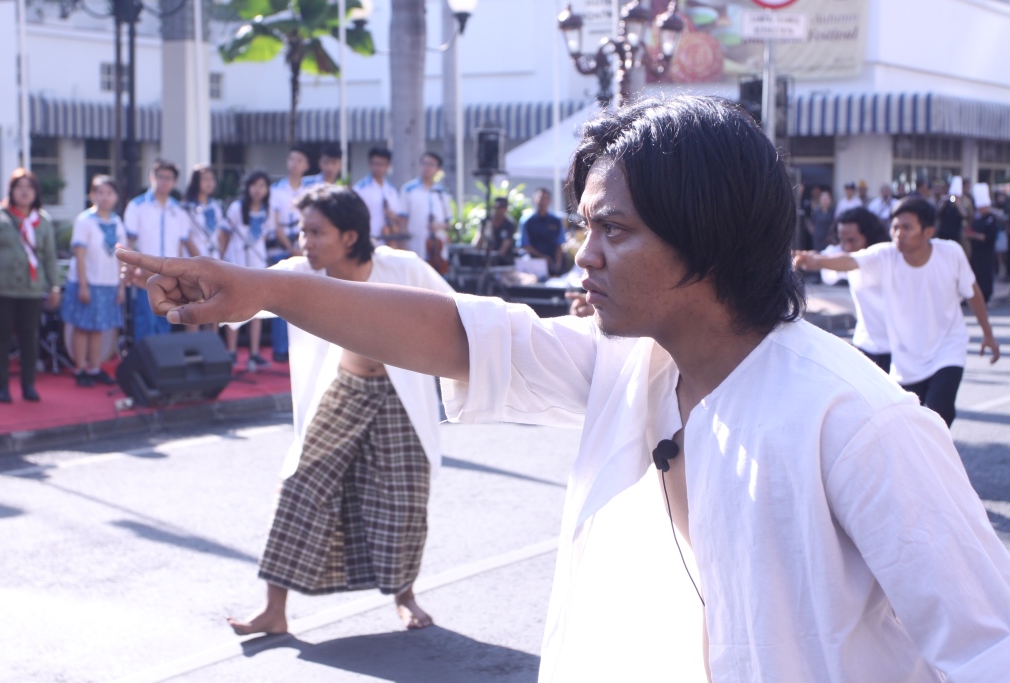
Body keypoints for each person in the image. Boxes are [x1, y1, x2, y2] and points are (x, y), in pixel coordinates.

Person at [120, 96, 1010, 682]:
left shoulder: (857, 424)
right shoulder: (635, 361)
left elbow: (985, 649)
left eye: (611, 229)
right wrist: (264, 290)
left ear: (704, 235)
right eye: (585, 227)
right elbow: (459, 334)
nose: (583, 257)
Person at [222, 184, 454, 635]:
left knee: (405, 500)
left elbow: (460, 311)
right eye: (301, 231)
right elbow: (240, 300)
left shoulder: (401, 268)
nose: (303, 242)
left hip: (399, 395)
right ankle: (274, 611)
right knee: (298, 486)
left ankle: (405, 597)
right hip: (341, 390)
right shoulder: (296, 275)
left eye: (314, 232)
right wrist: (187, 294)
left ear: (349, 237)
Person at [795, 197, 999, 427]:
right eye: (895, 226)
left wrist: (988, 334)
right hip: (906, 360)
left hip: (947, 349)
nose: (898, 233)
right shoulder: (884, 255)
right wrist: (813, 260)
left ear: (928, 231)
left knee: (937, 418)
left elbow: (972, 292)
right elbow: (848, 260)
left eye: (907, 227)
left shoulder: (951, 253)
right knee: (907, 426)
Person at [0, 168, 60, 403]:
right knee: (2, 337)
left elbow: (49, 256)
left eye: (29, 187)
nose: (25, 192)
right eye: (20, 187)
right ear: (11, 190)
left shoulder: (43, 220)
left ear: (36, 192)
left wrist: (55, 286)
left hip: (32, 288)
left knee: (30, 337)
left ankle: (29, 385)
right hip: (1, 287)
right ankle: (2, 386)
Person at [61, 175, 126, 387]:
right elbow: (79, 254)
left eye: (109, 193)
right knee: (82, 326)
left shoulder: (117, 221)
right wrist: (83, 285)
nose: (105, 197)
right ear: (92, 195)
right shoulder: (85, 220)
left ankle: (95, 367)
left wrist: (121, 285)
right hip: (87, 282)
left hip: (108, 283)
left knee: (100, 328)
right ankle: (80, 369)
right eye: (100, 193)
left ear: (116, 196)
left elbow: (122, 255)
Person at [125, 159, 193, 341]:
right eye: (160, 177)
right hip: (144, 276)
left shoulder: (178, 210)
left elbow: (180, 245)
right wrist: (131, 270)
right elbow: (128, 242)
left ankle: (160, 368)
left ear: (174, 182)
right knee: (145, 323)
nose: (164, 181)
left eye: (169, 178)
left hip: (169, 276)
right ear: (151, 177)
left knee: (164, 323)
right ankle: (143, 366)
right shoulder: (137, 206)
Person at [821, 207, 893, 372]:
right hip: (865, 344)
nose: (846, 247)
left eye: (852, 241)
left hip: (897, 348)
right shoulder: (843, 257)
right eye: (842, 240)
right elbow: (828, 275)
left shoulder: (887, 256)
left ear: (869, 236)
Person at [220, 171, 276, 369]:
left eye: (262, 185)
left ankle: (254, 353)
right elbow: (224, 234)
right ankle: (231, 351)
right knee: (233, 309)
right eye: (254, 185)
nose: (257, 190)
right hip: (236, 265)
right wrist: (222, 258)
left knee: (257, 310)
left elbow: (267, 236)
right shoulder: (236, 208)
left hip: (258, 267)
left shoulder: (268, 210)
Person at [268, 147, 312, 362]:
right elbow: (275, 224)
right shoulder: (276, 190)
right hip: (281, 250)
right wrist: (290, 247)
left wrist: (303, 248)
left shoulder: (309, 191)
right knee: (280, 301)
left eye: (299, 160)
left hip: (305, 251)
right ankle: (280, 348)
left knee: (303, 302)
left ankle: (300, 348)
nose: (294, 163)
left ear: (306, 166)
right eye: (291, 159)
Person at [397, 152, 452, 262]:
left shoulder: (442, 193)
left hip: (437, 251)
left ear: (438, 169)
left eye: (431, 165)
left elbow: (448, 223)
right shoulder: (408, 190)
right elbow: (402, 219)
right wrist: (402, 246)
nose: (427, 168)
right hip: (415, 247)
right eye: (425, 163)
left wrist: (438, 226)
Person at [353, 147, 401, 245]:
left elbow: (398, 216)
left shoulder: (391, 190)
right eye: (375, 164)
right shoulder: (360, 189)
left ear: (388, 165)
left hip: (388, 242)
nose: (378, 168)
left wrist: (392, 216)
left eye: (382, 164)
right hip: (367, 241)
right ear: (369, 164)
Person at [518, 188, 566, 276]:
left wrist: (557, 267)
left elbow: (559, 245)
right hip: (532, 262)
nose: (542, 201)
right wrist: (542, 257)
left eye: (545, 198)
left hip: (551, 263)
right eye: (540, 198)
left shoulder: (556, 221)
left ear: (549, 201)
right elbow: (525, 245)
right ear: (534, 200)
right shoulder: (527, 220)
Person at [182, 165, 224, 260]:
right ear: (195, 181)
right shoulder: (187, 207)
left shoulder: (216, 206)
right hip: (194, 260)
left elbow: (219, 235)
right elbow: (186, 238)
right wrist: (199, 259)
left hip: (214, 259)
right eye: (205, 179)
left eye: (212, 179)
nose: (209, 183)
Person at [966, 182, 999, 303]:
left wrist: (974, 235)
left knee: (985, 274)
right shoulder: (977, 219)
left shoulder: (992, 219)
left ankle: (986, 295)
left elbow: (989, 236)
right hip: (976, 251)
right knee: (976, 274)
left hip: (987, 252)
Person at [471, 196, 516, 265]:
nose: (500, 210)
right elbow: (478, 241)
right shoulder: (486, 221)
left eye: (502, 207)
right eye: (497, 207)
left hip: (504, 262)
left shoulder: (509, 224)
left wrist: (495, 257)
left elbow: (504, 248)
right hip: (485, 260)